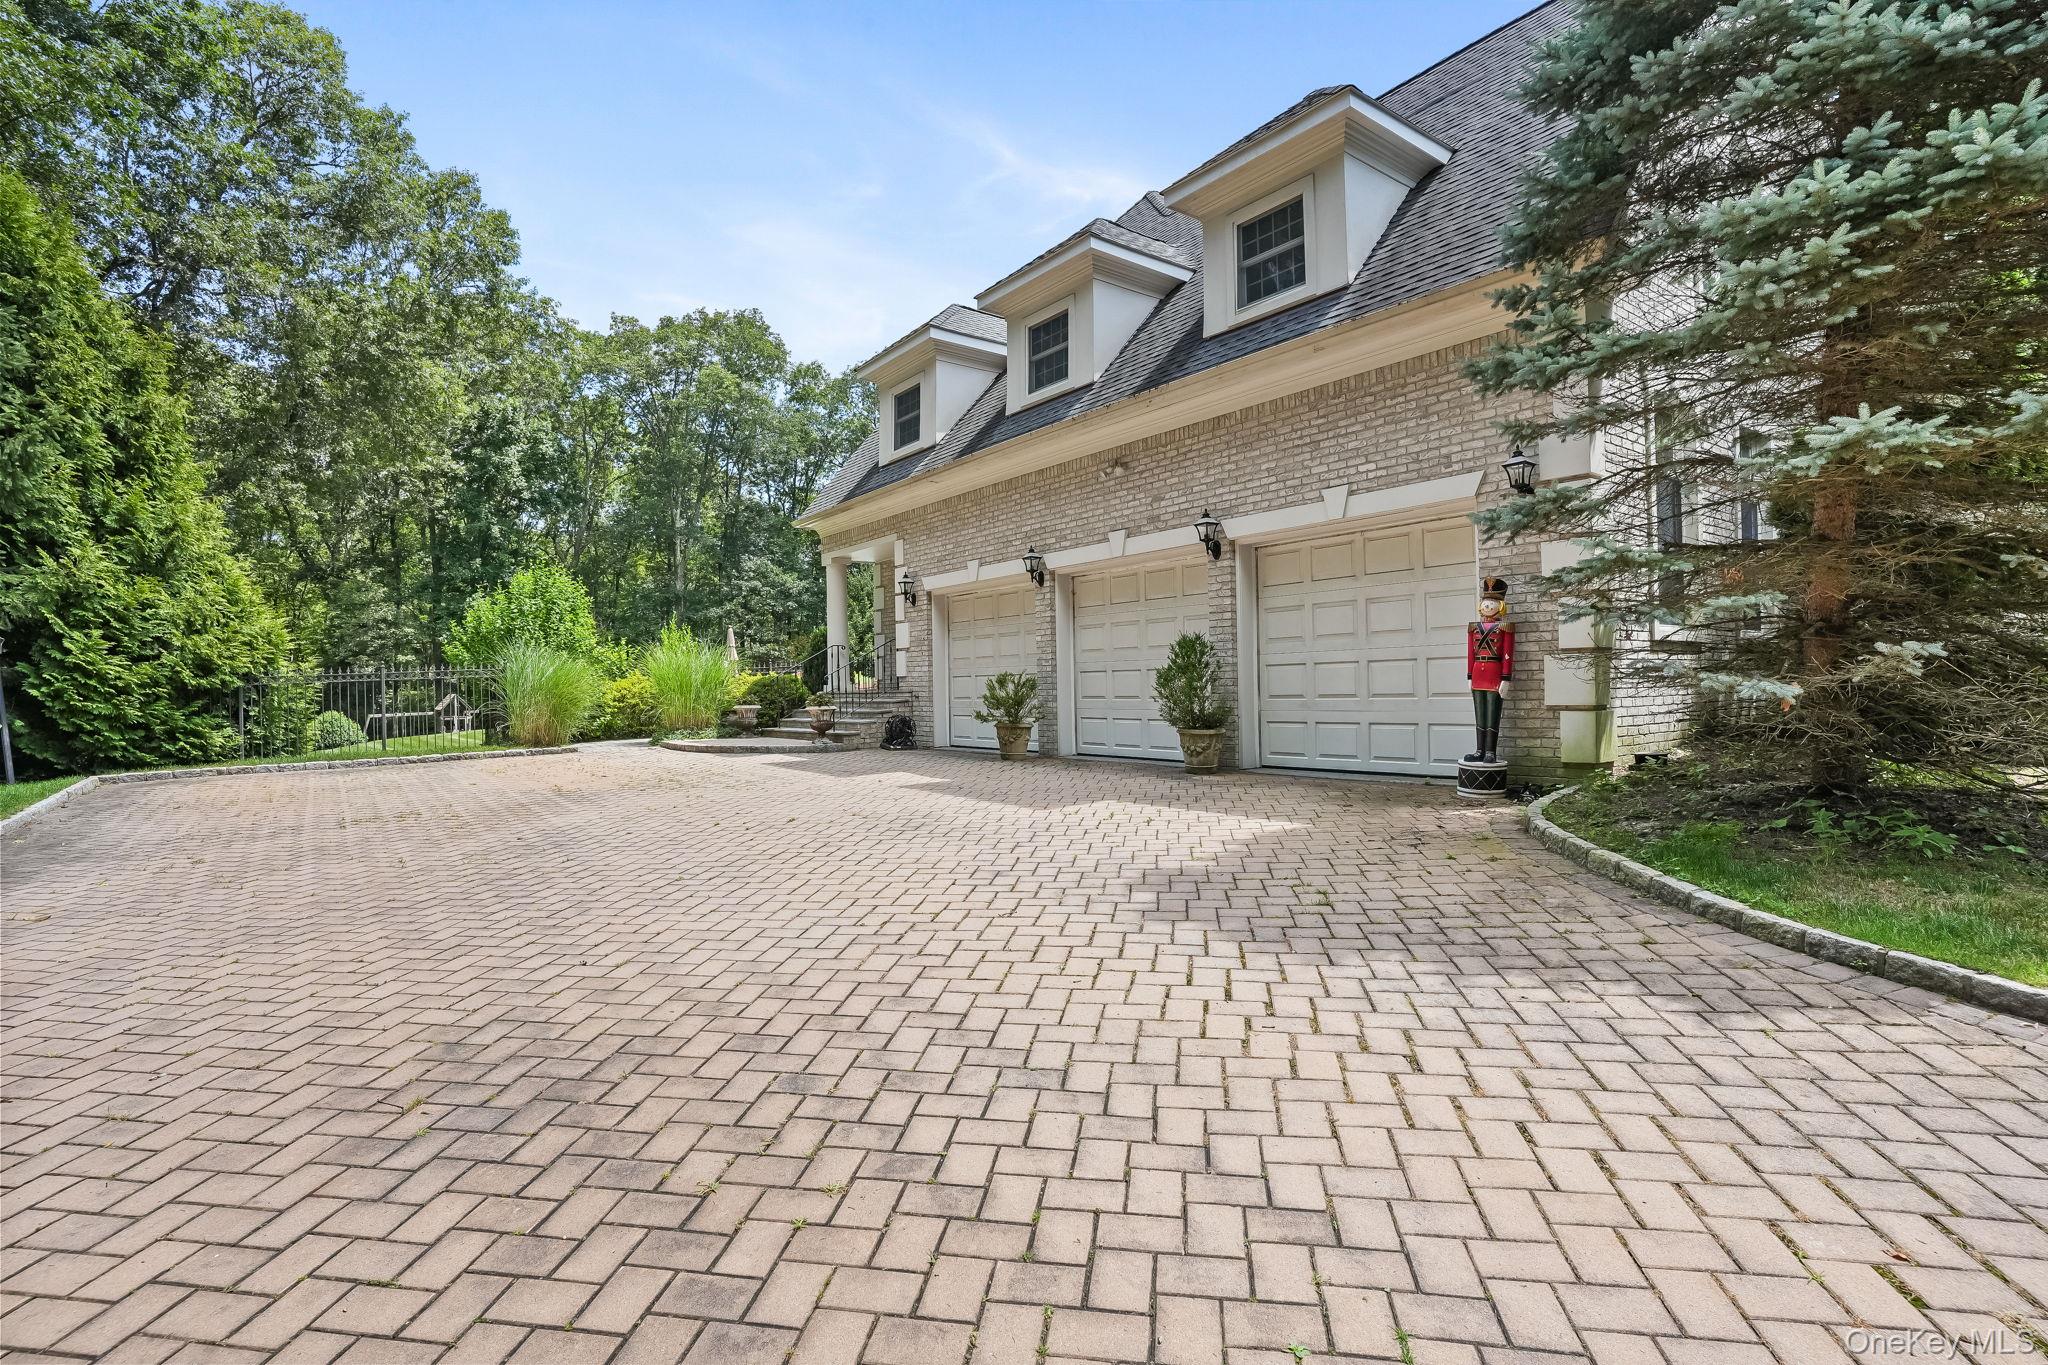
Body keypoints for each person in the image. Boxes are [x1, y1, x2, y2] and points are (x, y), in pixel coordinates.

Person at [1465, 577, 1513, 763]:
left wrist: (1506, 678)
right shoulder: (1473, 627)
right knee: (1480, 711)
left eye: (1492, 602)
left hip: (1495, 673)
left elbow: (1508, 653)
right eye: (1485, 602)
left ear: (1500, 605)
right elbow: (1471, 653)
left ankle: (1490, 751)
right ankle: (1479, 750)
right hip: (1478, 673)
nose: (1487, 606)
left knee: (1493, 711)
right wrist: (1469, 675)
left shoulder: (1505, 627)